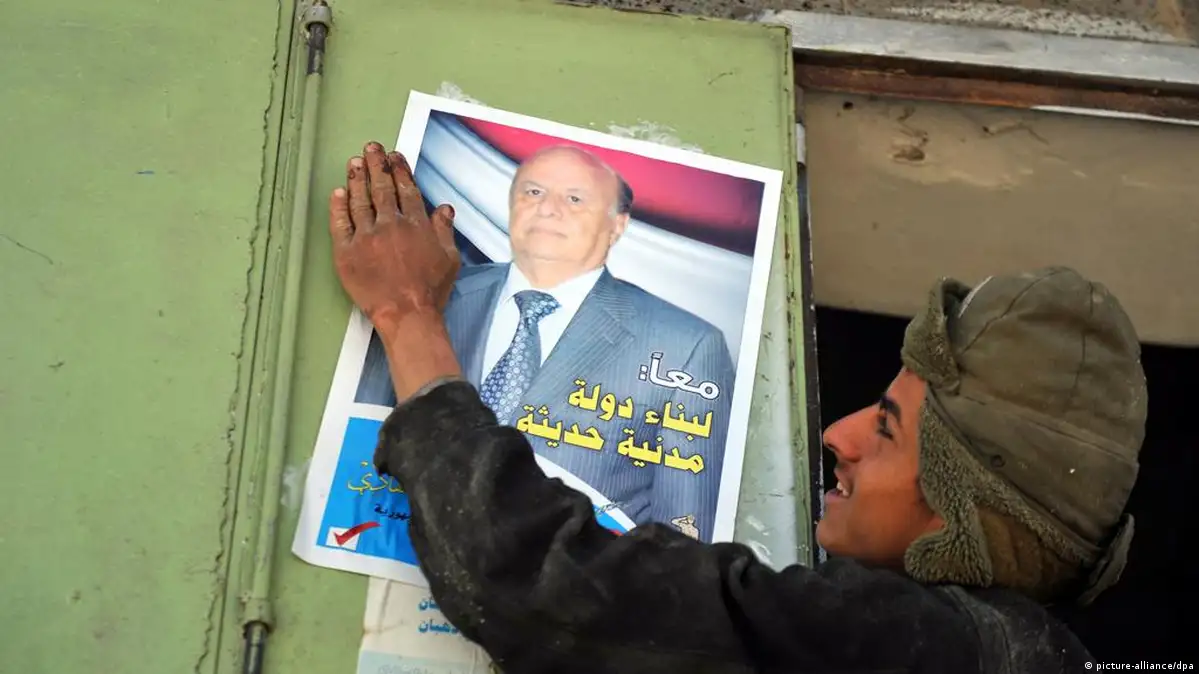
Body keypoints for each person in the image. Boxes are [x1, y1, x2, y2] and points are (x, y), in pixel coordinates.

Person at [329, 142, 1145, 673]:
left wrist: (408, 315)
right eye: (534, 191)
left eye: (886, 429)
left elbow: (556, 588)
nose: (837, 436)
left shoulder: (919, 650)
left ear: (960, 511)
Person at [354, 143, 737, 542]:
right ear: (511, 204)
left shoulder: (688, 346)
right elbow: (363, 441)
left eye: (575, 199)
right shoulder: (421, 296)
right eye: (534, 192)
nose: (548, 209)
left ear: (617, 225)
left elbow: (681, 547)